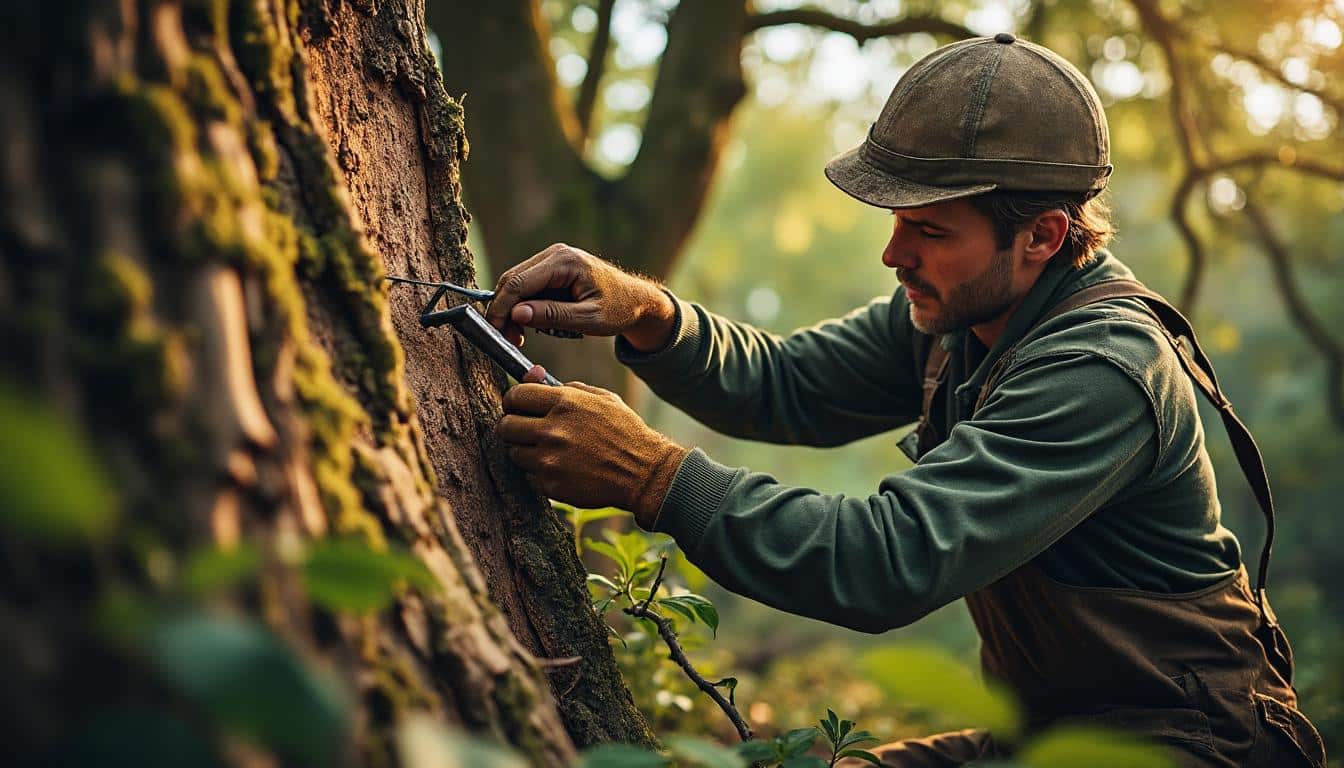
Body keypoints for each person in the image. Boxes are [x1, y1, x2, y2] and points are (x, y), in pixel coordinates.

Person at [487, 35, 1324, 767]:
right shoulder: (959, 315)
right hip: (1045, 734)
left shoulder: (1102, 373)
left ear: (1043, 235)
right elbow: (784, 384)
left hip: (1181, 743)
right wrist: (650, 311)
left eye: (929, 230)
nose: (894, 253)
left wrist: (651, 474)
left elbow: (885, 562)